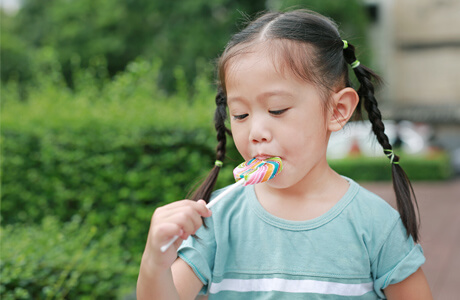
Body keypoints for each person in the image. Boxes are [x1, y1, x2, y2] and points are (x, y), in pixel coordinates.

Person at [137, 9, 432, 299]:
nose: (256, 131)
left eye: (277, 110)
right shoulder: (218, 218)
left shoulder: (376, 224)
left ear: (338, 110)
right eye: (240, 114)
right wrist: (154, 264)